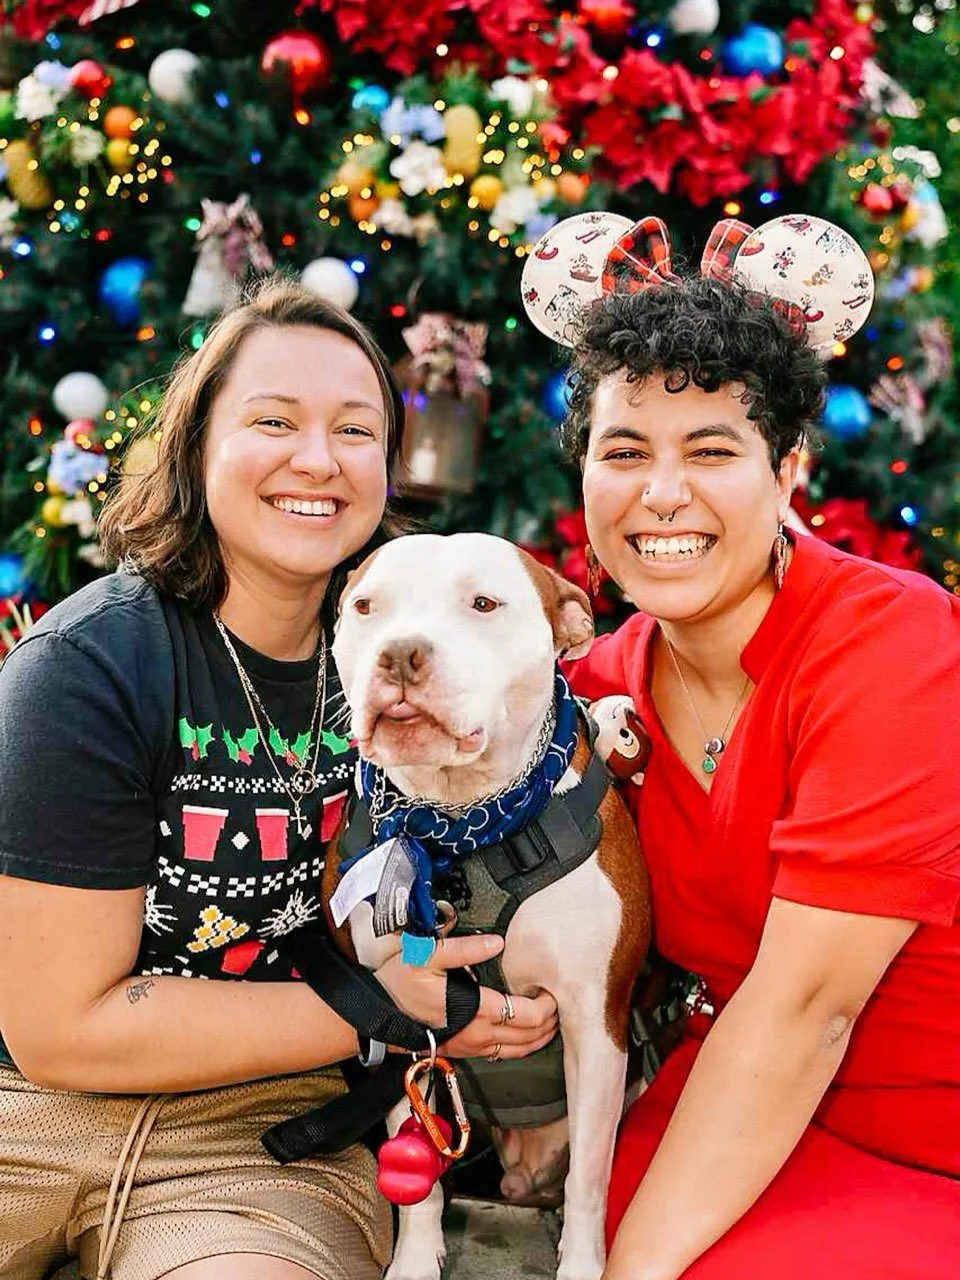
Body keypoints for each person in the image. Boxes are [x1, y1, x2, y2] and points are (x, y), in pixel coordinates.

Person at [0, 277, 557, 1280]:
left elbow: (542, 805)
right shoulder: (87, 667)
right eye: (273, 420)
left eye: (355, 430)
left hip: (267, 1128)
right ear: (199, 444)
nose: (317, 458)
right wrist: (385, 1004)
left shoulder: (423, 655)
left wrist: (534, 1095)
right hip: (22, 1109)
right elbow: (58, 1030)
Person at [559, 271, 960, 1278]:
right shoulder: (601, 683)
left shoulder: (889, 643)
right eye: (624, 450)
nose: (661, 493)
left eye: (710, 450)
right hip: (730, 1095)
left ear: (789, 470)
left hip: (928, 1136)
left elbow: (809, 1008)